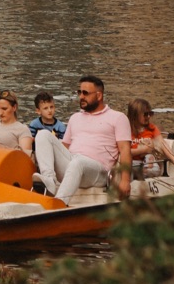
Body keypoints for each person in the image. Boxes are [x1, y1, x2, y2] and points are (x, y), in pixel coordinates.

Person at [32, 74, 132, 204]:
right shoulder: (75, 117)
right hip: (73, 163)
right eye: (79, 92)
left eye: (85, 93)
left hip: (98, 170)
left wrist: (125, 180)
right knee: (43, 134)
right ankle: (50, 181)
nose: (81, 96)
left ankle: (59, 203)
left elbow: (125, 150)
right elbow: (64, 148)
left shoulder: (118, 118)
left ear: (99, 95)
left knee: (78, 162)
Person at [125, 97, 174, 176]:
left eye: (150, 113)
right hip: (131, 162)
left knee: (152, 164)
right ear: (135, 115)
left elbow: (163, 144)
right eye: (146, 114)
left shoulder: (152, 128)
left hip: (147, 163)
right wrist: (144, 149)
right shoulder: (125, 129)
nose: (149, 116)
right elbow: (123, 152)